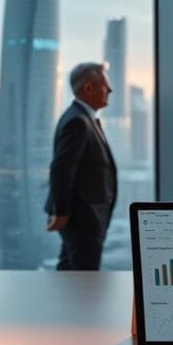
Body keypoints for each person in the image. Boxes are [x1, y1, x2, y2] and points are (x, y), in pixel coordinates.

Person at [44, 62, 118, 270]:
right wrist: (62, 212)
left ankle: (61, 304)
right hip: (82, 218)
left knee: (70, 275)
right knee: (84, 281)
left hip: (85, 217)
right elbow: (61, 169)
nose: (110, 91)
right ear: (88, 88)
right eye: (105, 85)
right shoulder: (78, 121)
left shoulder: (84, 118)